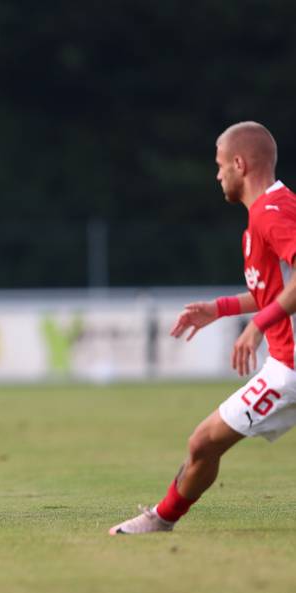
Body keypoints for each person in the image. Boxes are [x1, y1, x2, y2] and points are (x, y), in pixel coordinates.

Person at [110, 121, 296, 534]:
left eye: (219, 165)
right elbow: (275, 289)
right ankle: (163, 518)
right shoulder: (266, 214)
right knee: (204, 443)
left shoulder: (272, 212)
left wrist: (258, 326)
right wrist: (222, 308)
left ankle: (162, 519)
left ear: (239, 163)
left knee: (202, 443)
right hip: (285, 367)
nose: (217, 176)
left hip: (289, 369)